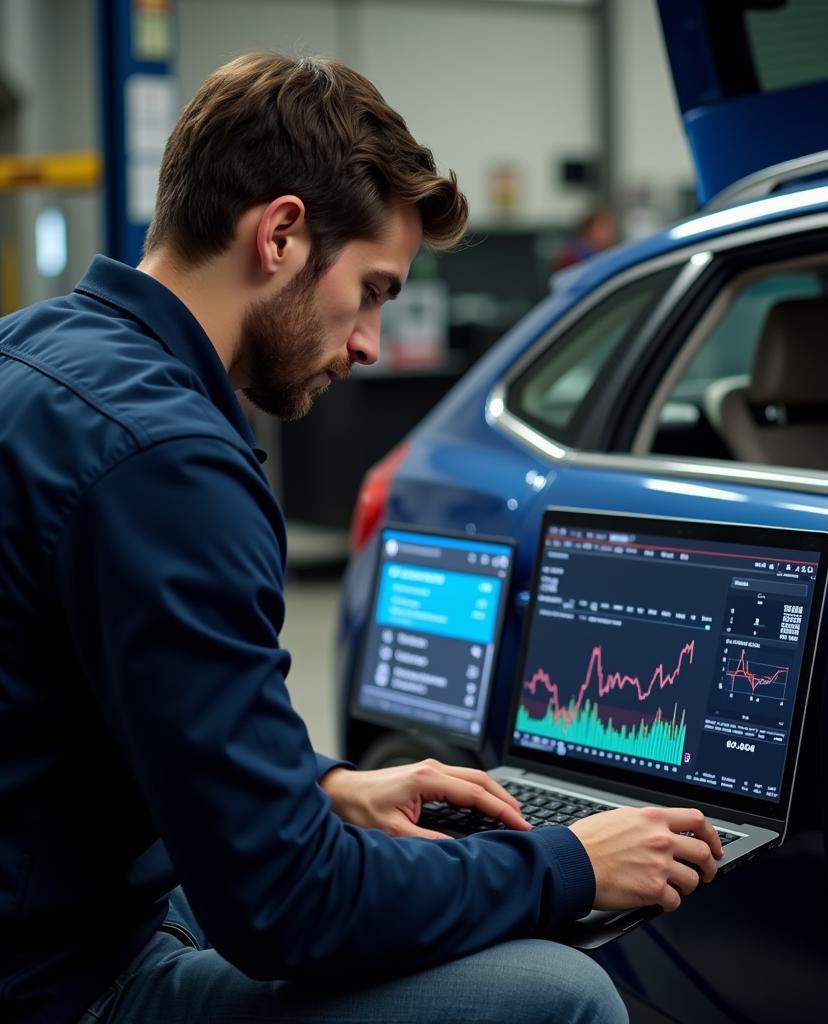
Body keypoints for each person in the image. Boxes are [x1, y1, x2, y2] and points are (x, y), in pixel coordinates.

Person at [0, 53, 722, 1024]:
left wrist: (325, 786)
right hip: (67, 983)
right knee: (562, 996)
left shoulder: (31, 352)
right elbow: (283, 910)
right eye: (374, 290)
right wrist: (567, 861)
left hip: (38, 895)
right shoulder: (168, 461)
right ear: (283, 235)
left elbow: (100, 702)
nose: (374, 343)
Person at [554, 207, 618, 270]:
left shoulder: (603, 254)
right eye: (603, 227)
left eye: (611, 227)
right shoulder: (574, 258)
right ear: (588, 230)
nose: (610, 232)